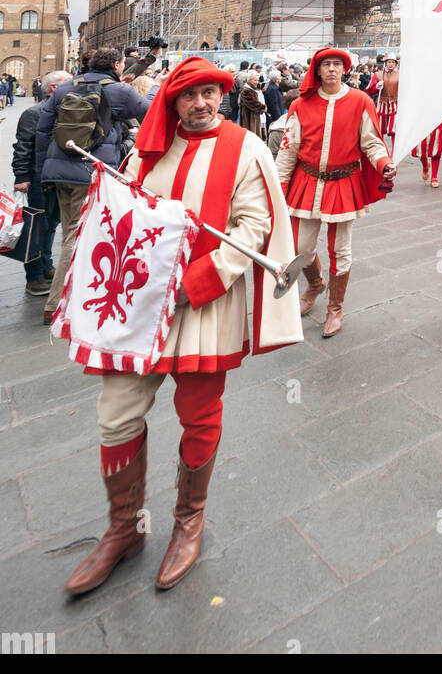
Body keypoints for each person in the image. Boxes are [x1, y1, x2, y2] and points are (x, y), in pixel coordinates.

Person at [61, 57, 299, 595]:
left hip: (202, 306)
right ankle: (124, 530)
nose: (201, 104)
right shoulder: (148, 147)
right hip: (140, 308)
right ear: (172, 101)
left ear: (222, 94)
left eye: (211, 93)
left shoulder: (248, 148)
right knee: (116, 416)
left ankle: (189, 522)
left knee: (199, 415)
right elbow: (126, 215)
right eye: (190, 95)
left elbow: (253, 226)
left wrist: (192, 286)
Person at [275, 48, 396, 337]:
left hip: (344, 183)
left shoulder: (360, 101)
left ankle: (335, 308)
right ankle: (315, 285)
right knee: (301, 249)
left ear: (344, 70)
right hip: (307, 182)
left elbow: (372, 143)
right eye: (326, 64)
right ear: (317, 70)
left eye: (337, 64)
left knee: (340, 251)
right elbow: (288, 151)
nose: (331, 69)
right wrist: (278, 189)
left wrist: (384, 162)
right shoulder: (301, 106)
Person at [36, 47, 151, 326]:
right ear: (116, 64)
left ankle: (76, 291)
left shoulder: (65, 87)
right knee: (76, 236)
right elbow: (151, 113)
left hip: (58, 170)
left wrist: (43, 172)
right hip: (90, 171)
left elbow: (43, 129)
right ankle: (56, 305)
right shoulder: (118, 91)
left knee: (70, 232)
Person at [12, 70, 72, 299]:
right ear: (54, 89)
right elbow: (23, 146)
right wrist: (21, 177)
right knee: (36, 227)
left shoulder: (65, 111)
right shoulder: (33, 113)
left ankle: (46, 266)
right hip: (38, 178)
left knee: (51, 224)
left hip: (56, 178)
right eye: (68, 83)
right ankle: (34, 276)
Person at [413, 119, 442, 187]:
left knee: (437, 151)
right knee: (421, 151)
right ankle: (425, 166)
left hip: (438, 122)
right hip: (422, 122)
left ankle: (434, 177)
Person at [376, 57, 399, 150]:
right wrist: (376, 86)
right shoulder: (379, 74)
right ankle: (383, 154)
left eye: (393, 62)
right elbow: (369, 89)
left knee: (394, 131)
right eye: (389, 62)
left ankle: (393, 155)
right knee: (380, 130)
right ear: (386, 63)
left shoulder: (400, 75)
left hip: (395, 104)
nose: (391, 64)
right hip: (382, 103)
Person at [239, 71, 266, 139]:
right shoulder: (246, 91)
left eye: (257, 80)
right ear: (249, 80)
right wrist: (263, 107)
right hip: (250, 119)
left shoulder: (256, 89)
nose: (257, 82)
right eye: (255, 80)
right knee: (252, 139)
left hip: (258, 118)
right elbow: (254, 105)